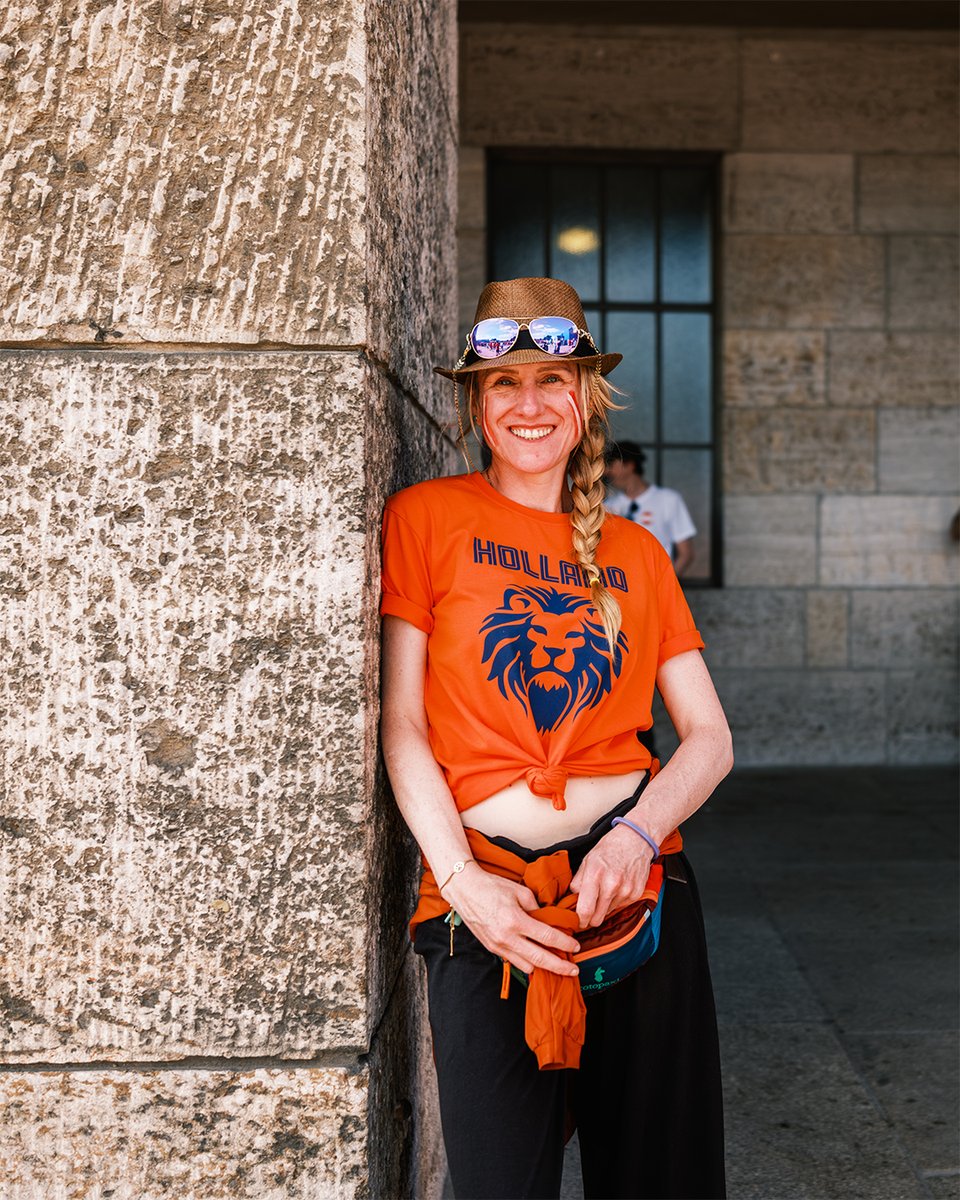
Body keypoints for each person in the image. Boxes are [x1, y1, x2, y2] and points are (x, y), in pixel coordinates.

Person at [380, 277, 732, 1200]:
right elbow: (403, 724)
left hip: (635, 895)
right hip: (483, 900)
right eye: (505, 385)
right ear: (477, 403)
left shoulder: (638, 553)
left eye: (553, 381)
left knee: (661, 1179)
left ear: (586, 401)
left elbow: (707, 739)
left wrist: (635, 834)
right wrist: (464, 886)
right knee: (499, 1182)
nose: (530, 404)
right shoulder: (425, 519)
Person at [604, 440, 697, 577]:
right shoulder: (607, 505)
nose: (606, 471)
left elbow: (686, 554)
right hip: (619, 588)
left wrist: (664, 587)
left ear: (629, 465)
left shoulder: (668, 499)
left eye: (610, 465)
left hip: (655, 584)